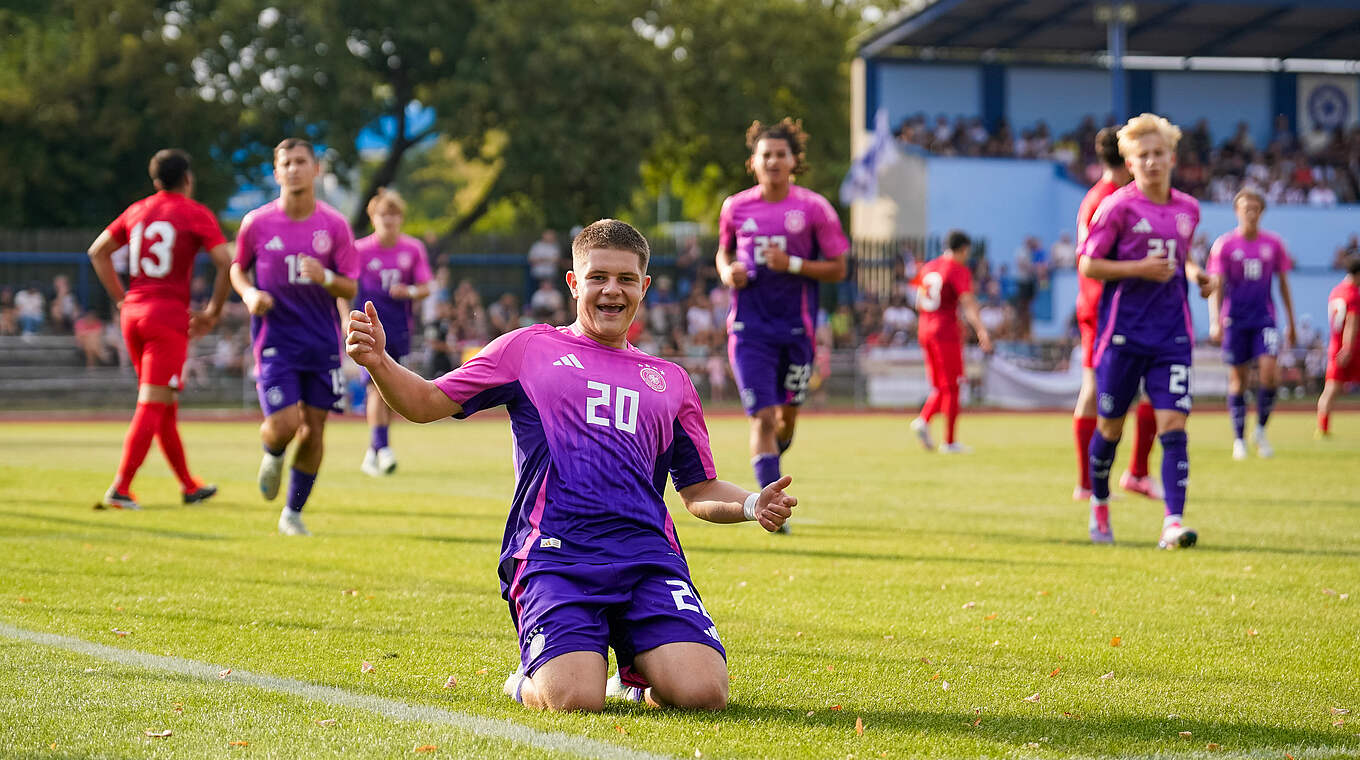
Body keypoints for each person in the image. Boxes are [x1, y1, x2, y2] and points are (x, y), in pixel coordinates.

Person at [345, 219, 797, 712]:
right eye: (598, 276)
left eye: (626, 279)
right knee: (575, 700)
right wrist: (379, 362)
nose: (612, 290)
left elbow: (698, 489)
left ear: (644, 288)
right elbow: (427, 402)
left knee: (704, 694)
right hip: (555, 557)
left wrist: (753, 503)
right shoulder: (527, 349)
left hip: (647, 558)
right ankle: (525, 678)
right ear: (573, 282)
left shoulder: (671, 382)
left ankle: (635, 674)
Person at [1078, 113, 1214, 549]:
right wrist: (1139, 269)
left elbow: (1181, 255)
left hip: (1172, 333)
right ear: (1130, 163)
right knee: (1111, 428)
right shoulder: (1117, 207)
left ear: (1173, 158)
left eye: (1159, 154)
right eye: (1143, 156)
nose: (1152, 162)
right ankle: (1100, 504)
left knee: (1174, 423)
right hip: (1123, 335)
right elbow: (1088, 264)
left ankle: (1172, 522)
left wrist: (1197, 275)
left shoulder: (1188, 208)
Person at [715, 118, 848, 533]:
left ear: (794, 161)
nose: (773, 161)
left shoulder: (813, 208)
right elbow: (723, 254)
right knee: (762, 418)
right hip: (749, 330)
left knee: (785, 421)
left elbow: (839, 268)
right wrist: (727, 272)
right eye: (765, 154)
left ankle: (775, 449)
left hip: (796, 332)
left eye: (780, 154)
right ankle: (770, 508)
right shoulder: (735, 207)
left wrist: (790, 264)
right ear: (753, 162)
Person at [86, 148, 233, 510]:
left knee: (163, 404)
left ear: (155, 182)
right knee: (153, 403)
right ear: (188, 178)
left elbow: (97, 252)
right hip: (166, 317)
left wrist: (122, 299)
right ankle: (120, 488)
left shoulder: (137, 210)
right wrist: (213, 311)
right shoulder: (195, 213)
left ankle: (188, 486)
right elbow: (225, 263)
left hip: (133, 314)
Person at [230, 138, 357, 536]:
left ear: (316, 170)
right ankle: (271, 452)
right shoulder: (256, 222)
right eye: (286, 162)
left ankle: (293, 513)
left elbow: (350, 286)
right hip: (275, 341)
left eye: (302, 162)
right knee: (285, 424)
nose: (294, 169)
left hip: (322, 342)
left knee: (314, 429)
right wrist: (250, 294)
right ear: (276, 171)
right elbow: (237, 269)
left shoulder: (334, 225)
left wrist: (328, 278)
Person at [1071, 127, 1161, 502]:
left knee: (1110, 391)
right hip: (1110, 309)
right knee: (1114, 391)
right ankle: (1120, 475)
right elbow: (1092, 260)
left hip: (1102, 307)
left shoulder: (1095, 197)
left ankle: (1099, 480)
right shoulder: (1114, 200)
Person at [1207, 189, 1298, 459]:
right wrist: (1215, 321)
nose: (1250, 213)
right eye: (1246, 208)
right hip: (1235, 320)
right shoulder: (1224, 245)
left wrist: (1291, 322)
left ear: (1261, 212)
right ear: (1237, 211)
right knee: (1239, 381)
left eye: (1255, 208)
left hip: (1265, 319)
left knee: (1270, 373)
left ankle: (1260, 429)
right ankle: (1239, 439)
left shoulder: (1274, 244)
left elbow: (1283, 284)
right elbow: (1216, 286)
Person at [353, 188, 432, 477]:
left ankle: (375, 450)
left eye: (393, 214)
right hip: (368, 327)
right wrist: (342, 321)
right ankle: (384, 448)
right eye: (383, 214)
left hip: (399, 329)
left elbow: (426, 286)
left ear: (400, 218)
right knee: (374, 385)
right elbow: (345, 288)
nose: (388, 220)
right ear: (373, 217)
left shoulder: (412, 249)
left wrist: (408, 291)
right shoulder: (360, 250)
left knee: (390, 387)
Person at [907, 231, 992, 453]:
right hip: (945, 331)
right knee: (953, 385)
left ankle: (924, 420)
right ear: (964, 249)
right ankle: (950, 441)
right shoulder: (957, 269)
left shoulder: (928, 266)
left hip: (925, 329)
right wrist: (981, 331)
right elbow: (968, 303)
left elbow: (918, 301)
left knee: (940, 386)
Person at [1317, 257, 1360, 436]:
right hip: (1350, 347)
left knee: (1331, 388)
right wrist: (1348, 347)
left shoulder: (1336, 291)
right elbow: (1352, 321)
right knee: (1333, 389)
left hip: (1334, 345)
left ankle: (1322, 428)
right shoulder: (1353, 294)